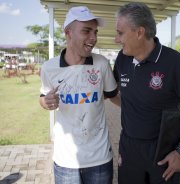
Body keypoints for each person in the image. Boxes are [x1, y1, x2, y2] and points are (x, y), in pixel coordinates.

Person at [113, 2, 180, 184]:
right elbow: (122, 98)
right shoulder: (122, 58)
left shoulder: (176, 63)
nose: (117, 39)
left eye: (120, 33)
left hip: (164, 153)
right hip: (129, 149)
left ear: (140, 32)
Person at [39, 6, 119, 184]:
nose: (93, 38)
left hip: (100, 158)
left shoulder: (101, 64)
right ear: (68, 33)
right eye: (86, 31)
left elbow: (113, 95)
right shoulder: (49, 68)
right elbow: (43, 98)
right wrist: (45, 102)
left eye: (95, 32)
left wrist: (141, 109)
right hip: (65, 160)